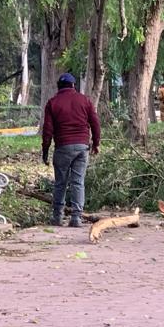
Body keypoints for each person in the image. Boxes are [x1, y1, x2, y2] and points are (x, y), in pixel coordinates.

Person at [42, 73, 101, 227]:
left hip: (63, 147)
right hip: (82, 147)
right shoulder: (84, 100)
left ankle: (57, 217)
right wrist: (96, 143)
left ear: (58, 86)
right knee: (78, 182)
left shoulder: (52, 103)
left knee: (60, 183)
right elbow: (95, 123)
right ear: (74, 86)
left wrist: (45, 151)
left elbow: (48, 130)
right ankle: (76, 217)